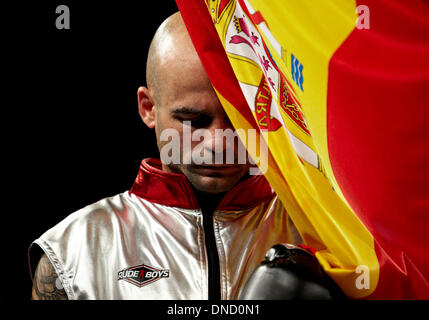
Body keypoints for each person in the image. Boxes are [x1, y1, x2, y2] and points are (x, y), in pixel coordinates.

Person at [29, 12, 337, 300]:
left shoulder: (328, 232)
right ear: (148, 108)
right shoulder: (71, 251)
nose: (219, 142)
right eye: (193, 120)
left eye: (238, 118)